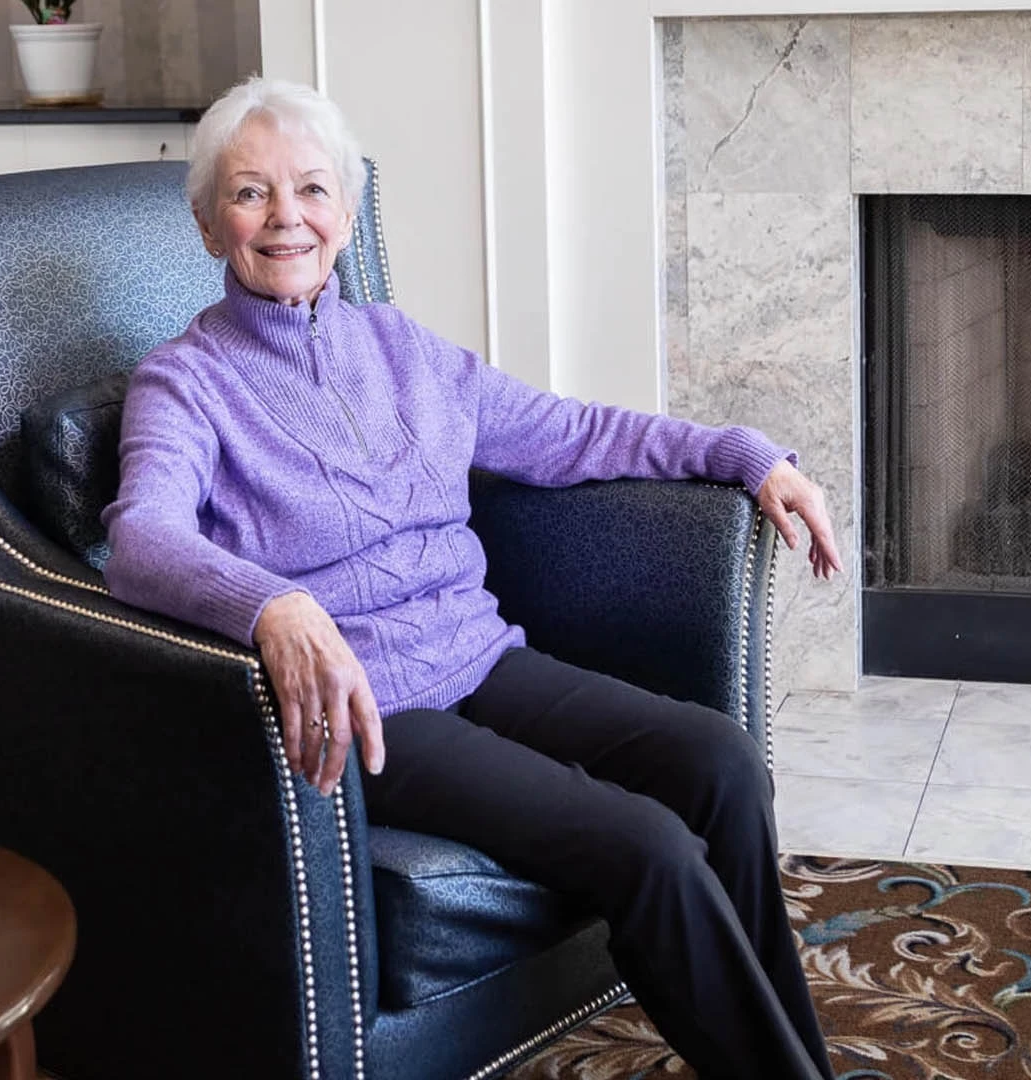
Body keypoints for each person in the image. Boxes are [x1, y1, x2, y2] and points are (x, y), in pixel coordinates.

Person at [101, 77, 842, 1080]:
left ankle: (794, 1060)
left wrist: (747, 456)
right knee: (649, 849)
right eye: (250, 193)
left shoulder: (402, 348)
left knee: (720, 761)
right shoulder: (184, 381)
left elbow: (572, 432)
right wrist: (271, 602)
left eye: (312, 190)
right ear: (206, 225)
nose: (286, 218)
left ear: (347, 216)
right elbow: (141, 536)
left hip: (481, 657)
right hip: (374, 713)